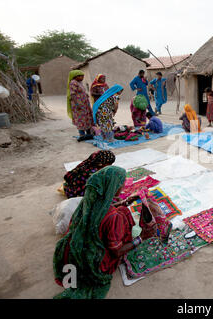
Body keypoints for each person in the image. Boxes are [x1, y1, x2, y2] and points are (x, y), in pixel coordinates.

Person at [53, 166, 154, 299]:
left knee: (123, 210)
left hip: (74, 252)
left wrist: (124, 202)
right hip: (95, 263)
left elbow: (100, 212)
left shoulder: (89, 200)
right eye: (121, 183)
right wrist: (141, 237)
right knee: (123, 214)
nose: (124, 185)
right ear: (113, 186)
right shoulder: (113, 217)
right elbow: (116, 251)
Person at [67, 70, 94, 142]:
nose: (82, 77)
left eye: (83, 76)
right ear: (75, 76)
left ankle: (88, 134)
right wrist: (77, 104)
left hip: (85, 103)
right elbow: (73, 94)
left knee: (87, 117)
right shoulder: (73, 83)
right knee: (80, 118)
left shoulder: (79, 82)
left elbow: (82, 91)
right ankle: (82, 135)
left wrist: (85, 95)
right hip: (78, 104)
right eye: (81, 76)